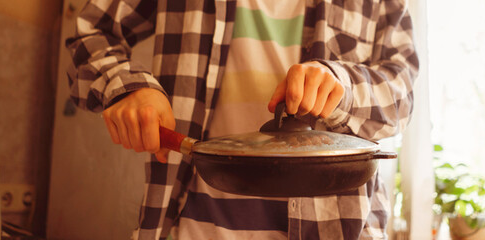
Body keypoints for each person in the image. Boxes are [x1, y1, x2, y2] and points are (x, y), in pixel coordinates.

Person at [66, 0, 418, 239]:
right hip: (195, 227)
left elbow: (401, 93)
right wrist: (128, 87)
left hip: (338, 227)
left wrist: (342, 87)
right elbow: (91, 29)